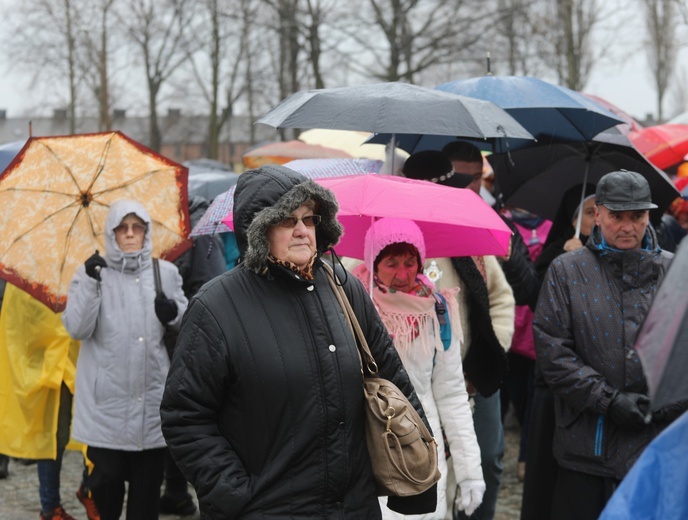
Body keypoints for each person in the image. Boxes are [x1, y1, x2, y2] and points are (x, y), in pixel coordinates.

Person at [160, 164, 437, 518]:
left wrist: (420, 476)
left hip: (354, 508)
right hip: (269, 508)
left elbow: (391, 375)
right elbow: (184, 415)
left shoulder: (342, 286)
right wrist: (233, 493)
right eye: (288, 221)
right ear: (258, 229)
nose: (303, 231)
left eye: (309, 219)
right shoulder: (215, 307)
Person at [534, 170, 687, 519]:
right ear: (598, 214)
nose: (627, 226)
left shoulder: (676, 270)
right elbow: (553, 352)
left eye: (637, 216)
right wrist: (609, 400)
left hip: (657, 447)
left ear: (650, 216)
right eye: (617, 216)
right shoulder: (566, 271)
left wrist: (660, 406)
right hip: (588, 447)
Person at [402, 151, 515, 520]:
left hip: (467, 380)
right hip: (408, 388)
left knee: (486, 460)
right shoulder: (387, 246)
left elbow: (500, 298)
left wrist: (486, 355)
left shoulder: (466, 242)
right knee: (422, 475)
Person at [351, 217, 485, 519]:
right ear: (373, 264)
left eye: (410, 262)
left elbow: (451, 394)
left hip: (423, 445)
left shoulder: (437, 309)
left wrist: (469, 471)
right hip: (371, 446)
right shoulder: (353, 307)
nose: (402, 273)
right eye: (391, 263)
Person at [62, 199, 187, 520]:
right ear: (111, 232)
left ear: (146, 232)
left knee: (145, 500)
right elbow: (77, 328)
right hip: (107, 408)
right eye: (123, 228)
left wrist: (174, 315)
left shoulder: (167, 273)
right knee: (105, 493)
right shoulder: (90, 273)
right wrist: (91, 282)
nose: (130, 234)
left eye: (138, 227)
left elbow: (187, 325)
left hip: (151, 404)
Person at [520, 184, 595, 520]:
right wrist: (564, 261)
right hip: (555, 374)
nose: (595, 220)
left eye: (599, 212)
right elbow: (535, 298)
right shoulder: (557, 251)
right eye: (588, 213)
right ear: (574, 218)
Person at [0, 282, 99, 520]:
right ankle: (50, 506)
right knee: (53, 434)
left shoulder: (90, 259)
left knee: (99, 429)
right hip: (52, 364)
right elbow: (19, 322)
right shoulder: (27, 271)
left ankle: (91, 489)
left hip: (89, 354)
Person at [158, 195, 226, 517]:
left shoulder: (201, 231)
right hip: (167, 339)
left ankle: (197, 495)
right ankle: (175, 491)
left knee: (191, 415)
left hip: (190, 339)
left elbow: (206, 289)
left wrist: (176, 311)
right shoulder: (166, 229)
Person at [440, 142, 539, 310]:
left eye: (476, 177)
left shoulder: (500, 226)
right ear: (445, 176)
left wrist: (511, 258)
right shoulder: (427, 222)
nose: (470, 185)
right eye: (461, 177)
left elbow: (529, 294)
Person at [498, 207, 552, 483]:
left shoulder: (552, 226)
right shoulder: (502, 222)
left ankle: (524, 456)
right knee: (514, 391)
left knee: (532, 395)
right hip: (510, 323)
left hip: (536, 327)